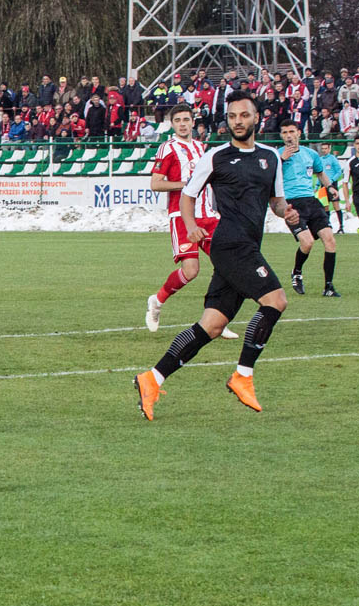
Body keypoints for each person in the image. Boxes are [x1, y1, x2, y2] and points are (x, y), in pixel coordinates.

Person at [134, 90, 299, 420]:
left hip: (249, 244)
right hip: (229, 244)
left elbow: (276, 202)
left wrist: (287, 213)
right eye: (233, 116)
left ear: (257, 118)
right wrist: (192, 225)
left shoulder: (271, 158)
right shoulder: (216, 157)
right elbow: (188, 196)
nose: (238, 121)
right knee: (276, 300)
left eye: (244, 115)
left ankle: (151, 379)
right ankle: (243, 376)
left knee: (211, 325)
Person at [145, 105, 238, 339]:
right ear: (173, 124)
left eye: (186, 119)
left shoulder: (202, 148)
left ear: (193, 122)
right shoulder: (167, 148)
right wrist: (185, 185)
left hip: (208, 216)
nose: (183, 124)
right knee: (191, 270)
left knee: (227, 265)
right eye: (178, 120)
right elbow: (155, 183)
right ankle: (157, 301)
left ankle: (217, 317)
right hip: (183, 218)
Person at [277, 120, 341, 297]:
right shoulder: (277, 155)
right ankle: (297, 272)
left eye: (291, 131)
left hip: (311, 201)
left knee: (330, 240)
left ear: (298, 133)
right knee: (308, 242)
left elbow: (320, 173)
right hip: (291, 204)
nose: (288, 136)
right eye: (284, 133)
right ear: (281, 136)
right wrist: (281, 160)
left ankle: (328, 286)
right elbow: (268, 176)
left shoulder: (311, 154)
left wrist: (330, 187)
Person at [318, 142, 345, 233]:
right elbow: (319, 173)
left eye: (326, 148)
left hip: (332, 186)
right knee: (325, 207)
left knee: (336, 205)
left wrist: (332, 180)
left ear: (329, 149)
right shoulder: (320, 159)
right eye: (323, 149)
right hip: (323, 186)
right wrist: (318, 184)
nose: (324, 150)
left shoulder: (333, 159)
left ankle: (341, 227)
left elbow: (339, 172)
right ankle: (328, 226)